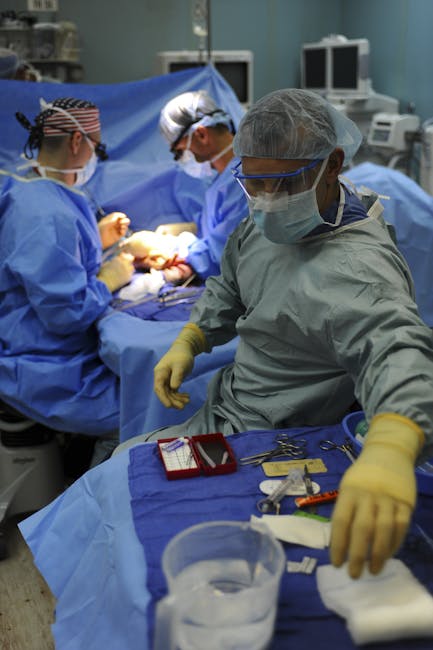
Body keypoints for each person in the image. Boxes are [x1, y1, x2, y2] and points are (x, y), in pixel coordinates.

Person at [116, 88, 433, 579]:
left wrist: (393, 443)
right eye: (254, 184)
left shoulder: (357, 266)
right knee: (123, 467)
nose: (266, 202)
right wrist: (194, 336)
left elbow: (396, 349)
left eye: (282, 185)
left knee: (138, 511)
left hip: (283, 434)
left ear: (333, 165)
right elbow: (232, 281)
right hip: (230, 410)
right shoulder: (270, 213)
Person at [0, 96, 147, 464]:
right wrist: (108, 280)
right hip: (39, 365)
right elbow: (66, 314)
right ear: (78, 141)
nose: (97, 154)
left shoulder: (29, 182)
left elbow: (36, 259)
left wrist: (97, 238)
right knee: (139, 413)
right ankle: (92, 506)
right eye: (97, 144)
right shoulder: (46, 212)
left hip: (44, 349)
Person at [121, 90, 249, 284]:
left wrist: (174, 247)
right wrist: (190, 229)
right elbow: (219, 228)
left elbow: (222, 255)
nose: (183, 158)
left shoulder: (242, 181)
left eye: (179, 151)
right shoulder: (224, 178)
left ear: (201, 134)